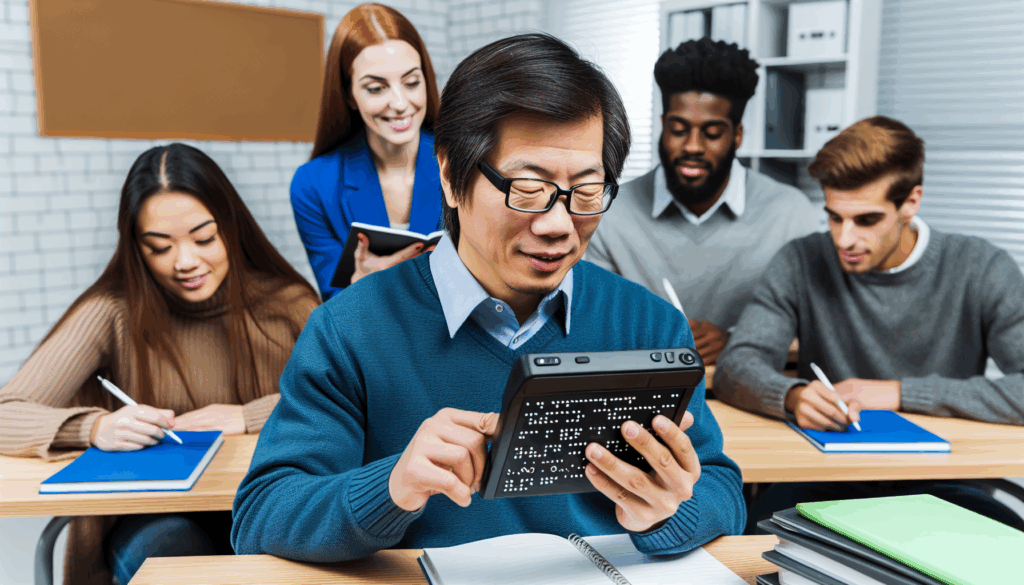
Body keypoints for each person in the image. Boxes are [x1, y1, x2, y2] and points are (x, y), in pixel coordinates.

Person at [231, 33, 745, 563]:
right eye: (526, 188)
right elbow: (262, 514)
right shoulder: (349, 329)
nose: (558, 225)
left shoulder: (647, 324)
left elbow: (721, 488)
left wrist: (664, 513)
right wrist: (391, 487)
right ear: (452, 177)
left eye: (587, 192)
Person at [0, 144, 320, 585]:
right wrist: (93, 427)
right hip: (152, 516)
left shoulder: (289, 304)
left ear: (232, 228)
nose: (185, 262)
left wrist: (247, 416)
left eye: (204, 239)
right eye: (159, 247)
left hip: (264, 502)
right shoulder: (112, 310)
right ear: (136, 247)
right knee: (173, 556)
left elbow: (351, 401)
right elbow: (4, 413)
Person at [712, 116, 1024, 534]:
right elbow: (737, 363)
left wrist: (897, 393)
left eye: (866, 220)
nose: (844, 239)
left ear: (911, 202)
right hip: (822, 481)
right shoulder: (801, 260)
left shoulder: (982, 267)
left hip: (944, 486)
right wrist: (791, 396)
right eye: (834, 217)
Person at [585, 38, 823, 365]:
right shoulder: (610, 212)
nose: (693, 146)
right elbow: (590, 324)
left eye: (712, 133)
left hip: (743, 394)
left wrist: (740, 342)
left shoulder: (790, 214)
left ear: (737, 135)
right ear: (662, 127)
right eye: (679, 129)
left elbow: (816, 333)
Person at [290, 3, 443, 300]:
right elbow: (334, 301)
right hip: (375, 338)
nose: (400, 103)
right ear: (349, 94)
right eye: (376, 88)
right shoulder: (313, 185)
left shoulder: (466, 162)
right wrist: (361, 286)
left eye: (412, 82)